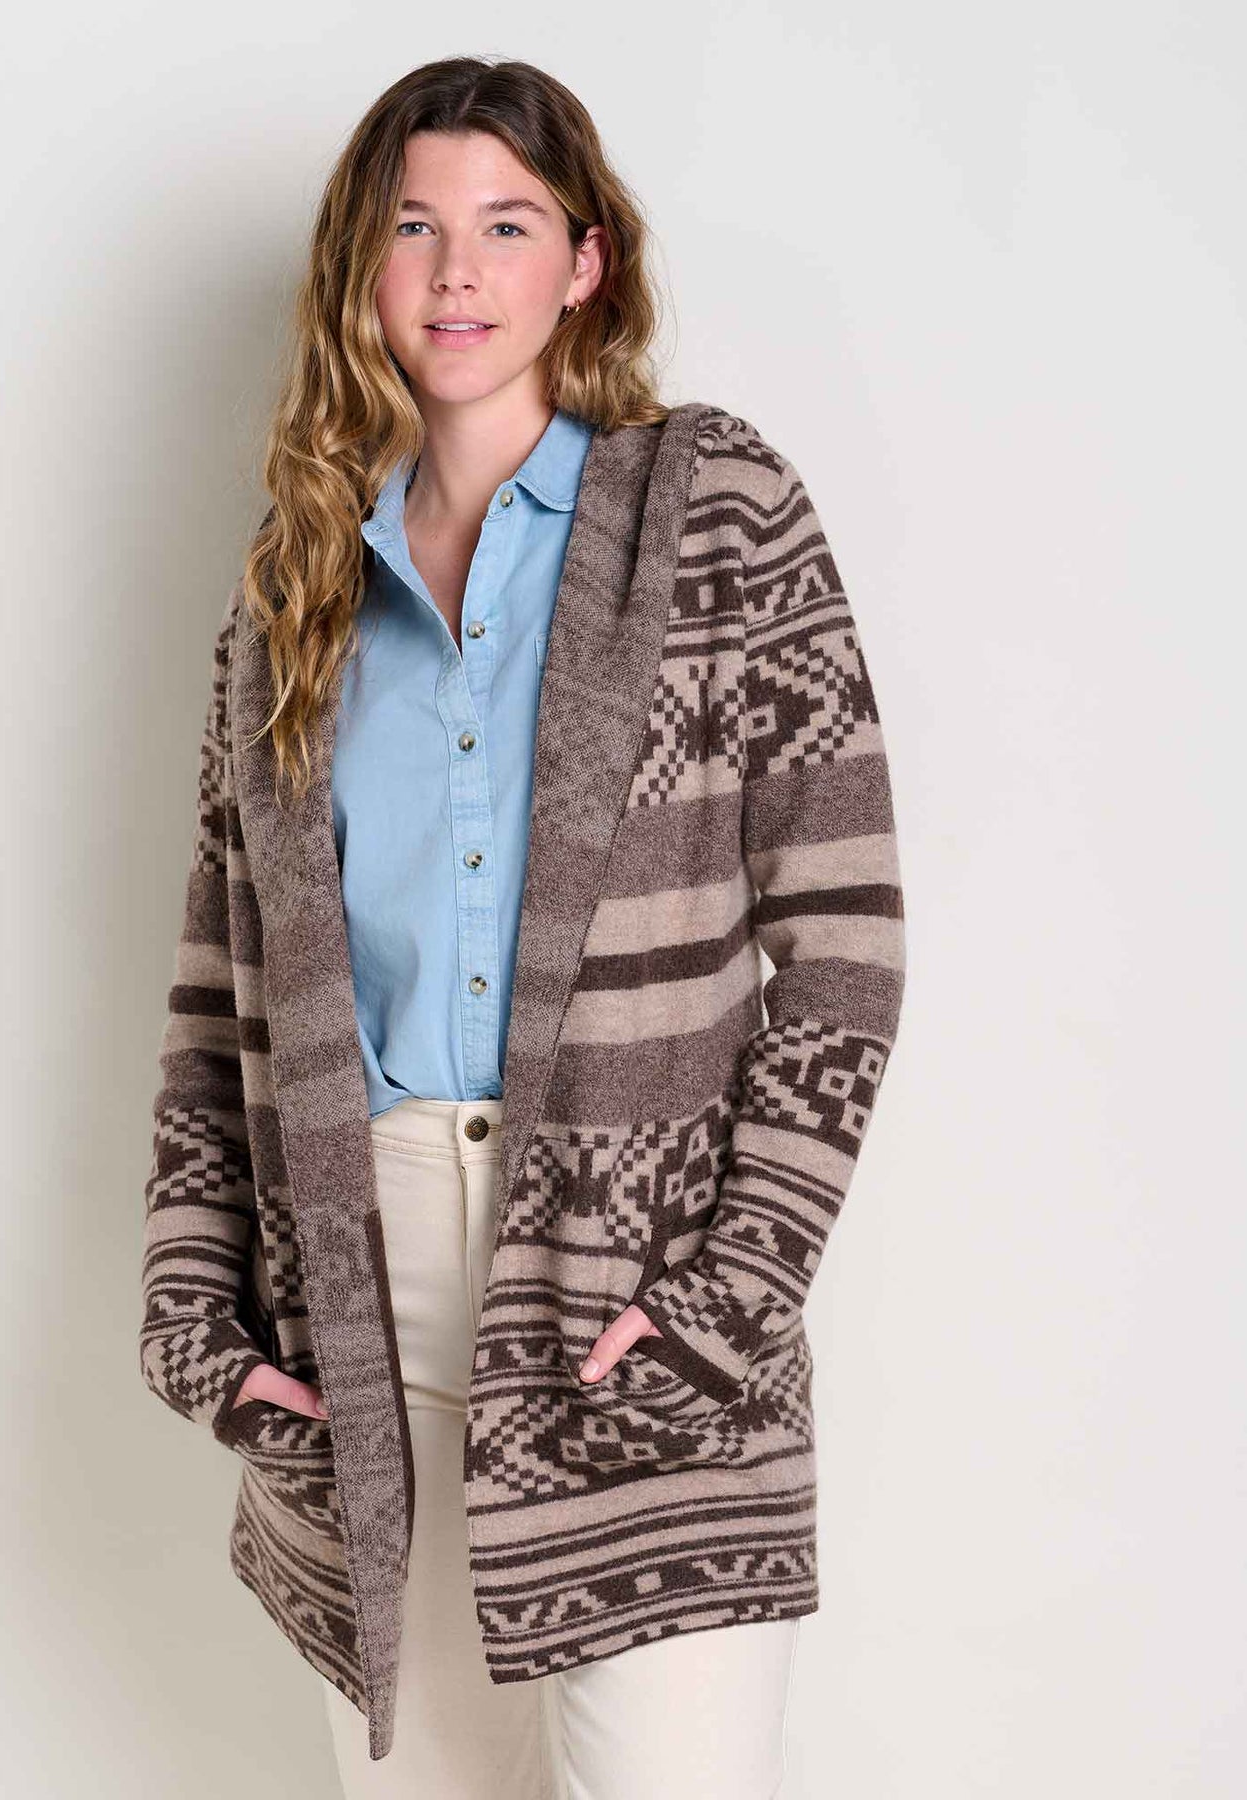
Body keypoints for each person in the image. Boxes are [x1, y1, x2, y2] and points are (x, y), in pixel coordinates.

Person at [139, 54, 906, 1800]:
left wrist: (727, 1294)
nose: (456, 272)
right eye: (412, 227)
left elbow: (844, 943)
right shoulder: (293, 591)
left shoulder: (711, 513)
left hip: (638, 1287)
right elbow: (211, 1000)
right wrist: (200, 1316)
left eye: (505, 225)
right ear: (361, 267)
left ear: (585, 262)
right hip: (363, 1300)